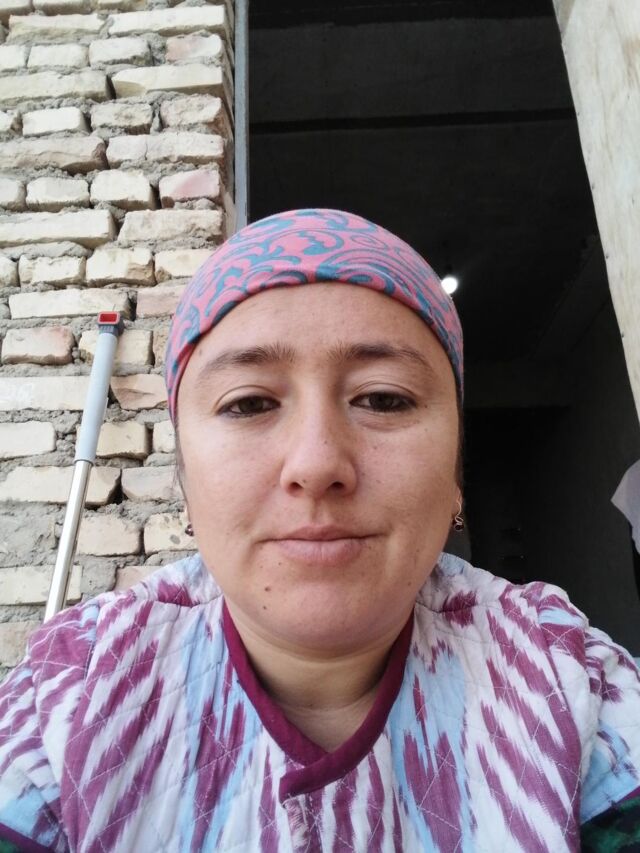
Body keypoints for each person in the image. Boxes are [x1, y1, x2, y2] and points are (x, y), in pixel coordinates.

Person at [0, 208, 639, 853]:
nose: (316, 464)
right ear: (185, 481)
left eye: (383, 398)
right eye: (249, 403)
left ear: (455, 475)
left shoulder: (569, 683)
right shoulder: (69, 698)